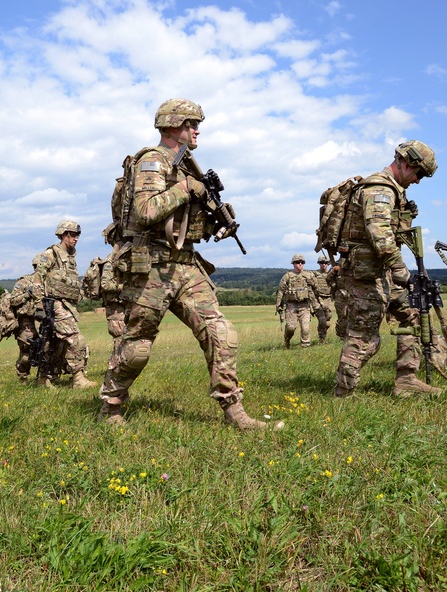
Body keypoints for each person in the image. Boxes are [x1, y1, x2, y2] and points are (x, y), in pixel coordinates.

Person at [99, 98, 280, 430]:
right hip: (151, 267)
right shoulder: (153, 161)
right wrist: (185, 189)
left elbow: (185, 224)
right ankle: (111, 406)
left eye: (196, 125)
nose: (196, 130)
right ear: (171, 126)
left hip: (186, 265)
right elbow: (146, 212)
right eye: (190, 124)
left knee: (221, 333)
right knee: (137, 344)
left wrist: (215, 223)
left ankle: (234, 412)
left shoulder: (187, 166)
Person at [335, 140, 442, 398]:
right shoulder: (379, 189)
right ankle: (342, 395)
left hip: (382, 273)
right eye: (419, 174)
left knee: (414, 317)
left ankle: (407, 381)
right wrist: (402, 272)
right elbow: (379, 233)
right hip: (367, 275)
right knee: (364, 337)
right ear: (406, 164)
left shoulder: (394, 191)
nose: (418, 181)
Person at [30, 220, 97, 389]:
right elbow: (38, 277)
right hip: (53, 304)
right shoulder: (51, 254)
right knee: (75, 339)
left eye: (77, 235)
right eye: (72, 235)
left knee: (53, 343)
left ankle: (44, 378)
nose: (75, 239)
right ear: (63, 235)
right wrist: (38, 305)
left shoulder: (71, 256)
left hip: (66, 303)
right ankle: (78, 378)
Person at [276, 254, 320, 348]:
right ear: (293, 264)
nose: (300, 264)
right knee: (291, 328)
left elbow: (316, 288)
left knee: (305, 329)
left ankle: (305, 348)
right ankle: (287, 340)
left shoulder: (308, 275)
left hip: (304, 304)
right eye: (298, 262)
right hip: (291, 305)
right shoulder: (288, 276)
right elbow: (281, 290)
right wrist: (278, 304)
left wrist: (315, 302)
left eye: (302, 262)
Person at [312, 254, 336, 344]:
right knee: (322, 320)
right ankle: (321, 339)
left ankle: (322, 333)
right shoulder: (315, 274)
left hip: (328, 299)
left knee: (327, 322)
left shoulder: (331, 274)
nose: (324, 265)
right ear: (319, 264)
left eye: (326, 263)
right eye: (322, 263)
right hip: (318, 299)